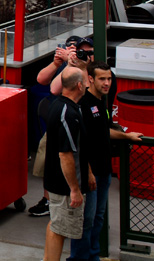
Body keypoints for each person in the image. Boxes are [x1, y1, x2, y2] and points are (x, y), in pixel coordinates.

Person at [68, 61, 142, 261]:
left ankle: (93, 256)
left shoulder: (102, 101)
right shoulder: (84, 104)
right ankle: (79, 258)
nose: (107, 83)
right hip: (90, 174)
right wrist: (89, 172)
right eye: (102, 79)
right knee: (86, 220)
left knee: (98, 217)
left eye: (109, 78)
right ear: (90, 79)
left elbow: (104, 131)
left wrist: (126, 136)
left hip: (104, 170)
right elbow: (81, 143)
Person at [30, 36, 94, 217]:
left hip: (80, 123)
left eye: (88, 52)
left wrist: (79, 65)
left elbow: (89, 90)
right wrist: (63, 64)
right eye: (79, 51)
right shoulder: (68, 67)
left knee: (74, 160)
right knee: (49, 161)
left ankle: (73, 195)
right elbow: (49, 85)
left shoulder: (94, 70)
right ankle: (48, 199)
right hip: (59, 121)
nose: (83, 55)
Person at [43, 67, 88, 261]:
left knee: (56, 223)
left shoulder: (62, 106)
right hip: (63, 187)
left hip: (59, 183)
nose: (87, 85)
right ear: (79, 85)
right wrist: (74, 189)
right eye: (85, 81)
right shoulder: (67, 113)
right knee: (59, 229)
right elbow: (65, 155)